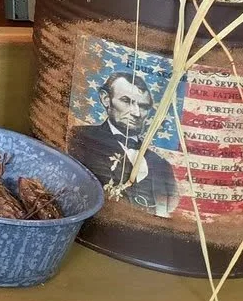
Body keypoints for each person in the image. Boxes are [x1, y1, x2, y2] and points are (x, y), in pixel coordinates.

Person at [68, 71, 179, 216]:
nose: (136, 113)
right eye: (126, 101)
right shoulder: (80, 138)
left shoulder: (161, 165)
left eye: (144, 106)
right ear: (106, 99)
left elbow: (169, 210)